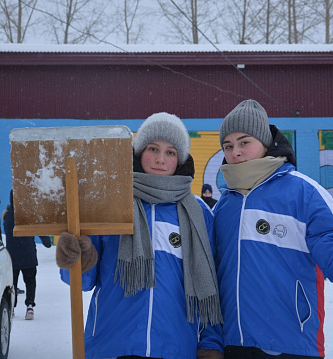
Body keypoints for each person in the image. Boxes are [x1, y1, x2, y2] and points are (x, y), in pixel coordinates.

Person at [56, 112, 224, 359]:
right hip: (111, 344)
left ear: (180, 159)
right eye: (153, 148)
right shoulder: (110, 204)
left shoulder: (197, 213)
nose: (160, 159)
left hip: (174, 347)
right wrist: (74, 256)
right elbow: (82, 281)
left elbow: (209, 284)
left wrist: (210, 344)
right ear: (138, 152)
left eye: (170, 152)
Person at [214, 99, 333, 359]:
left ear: (265, 143)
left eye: (244, 142)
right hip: (234, 343)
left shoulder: (304, 192)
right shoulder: (224, 206)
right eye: (228, 146)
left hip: (292, 342)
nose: (235, 152)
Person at [2, 190, 52, 320]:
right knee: (30, 282)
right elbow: (41, 233)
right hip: (28, 255)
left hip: (12, 257)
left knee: (12, 284)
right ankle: (30, 306)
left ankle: (11, 309)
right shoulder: (30, 215)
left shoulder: (7, 216)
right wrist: (47, 243)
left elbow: (9, 217)